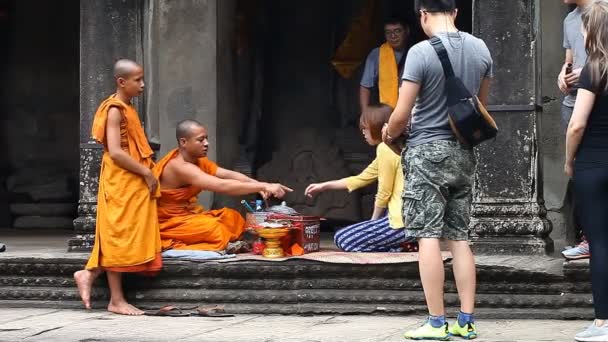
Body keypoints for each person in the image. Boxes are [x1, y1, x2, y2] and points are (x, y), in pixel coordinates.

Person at [383, 0, 492, 339]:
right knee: (459, 236)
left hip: (427, 152)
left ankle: (435, 323)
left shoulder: (419, 52)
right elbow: (480, 107)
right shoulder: (481, 49)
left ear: (423, 15)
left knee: (428, 235)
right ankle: (466, 320)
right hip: (463, 152)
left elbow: (401, 114)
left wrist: (388, 131)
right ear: (456, 13)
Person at [73, 59, 162, 316]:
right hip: (121, 178)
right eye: (138, 80)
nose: (143, 85)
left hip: (131, 178)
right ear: (122, 82)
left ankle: (89, 273)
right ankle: (116, 299)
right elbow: (114, 151)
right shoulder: (114, 110)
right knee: (118, 233)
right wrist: (146, 171)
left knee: (126, 232)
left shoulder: (128, 108)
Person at [154, 119, 292, 252]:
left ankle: (226, 242)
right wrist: (262, 187)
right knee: (215, 229)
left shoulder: (198, 161)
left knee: (233, 218)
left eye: (206, 138)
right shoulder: (180, 167)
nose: (207, 143)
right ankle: (220, 244)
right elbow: (221, 185)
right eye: (201, 140)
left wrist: (262, 185)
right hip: (169, 223)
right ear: (183, 142)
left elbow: (229, 175)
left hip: (187, 216)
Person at [305, 105, 412, 252]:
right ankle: (403, 247)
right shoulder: (392, 148)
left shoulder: (385, 149)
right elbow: (361, 179)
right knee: (344, 236)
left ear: (377, 127)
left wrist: (373, 223)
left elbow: (384, 192)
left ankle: (399, 249)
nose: (363, 132)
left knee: (342, 238)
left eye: (365, 128)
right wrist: (323, 186)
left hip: (402, 222)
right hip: (408, 220)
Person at [565, 2, 608, 340]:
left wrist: (569, 160)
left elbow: (577, 124)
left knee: (600, 243)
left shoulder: (595, 69)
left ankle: (603, 323)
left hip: (594, 164)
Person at [559, 0, 592, 261]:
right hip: (573, 102)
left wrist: (589, 73)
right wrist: (564, 74)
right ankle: (588, 237)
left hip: (599, 100)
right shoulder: (569, 20)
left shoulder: (603, 11)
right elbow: (569, 60)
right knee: (581, 177)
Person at [360, 16, 410, 112]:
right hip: (386, 110)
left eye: (397, 31)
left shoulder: (417, 52)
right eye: (388, 32)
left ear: (407, 31)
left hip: (412, 110)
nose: (393, 36)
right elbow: (365, 85)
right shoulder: (376, 54)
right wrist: (364, 112)